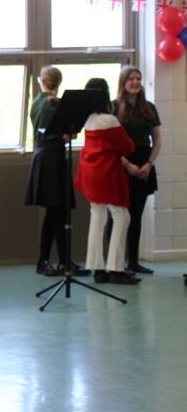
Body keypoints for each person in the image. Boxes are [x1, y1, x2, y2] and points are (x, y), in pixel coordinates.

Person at [24, 66, 90, 277]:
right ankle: (47, 260)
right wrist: (66, 132)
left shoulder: (37, 102)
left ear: (41, 81)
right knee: (56, 212)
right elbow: (67, 133)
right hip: (53, 157)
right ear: (58, 83)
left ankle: (61, 260)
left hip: (44, 156)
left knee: (57, 212)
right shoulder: (55, 104)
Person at [74, 79, 138, 285]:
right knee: (122, 217)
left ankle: (97, 268)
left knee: (97, 215)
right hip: (107, 173)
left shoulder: (87, 120)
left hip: (90, 172)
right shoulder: (108, 121)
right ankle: (116, 268)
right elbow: (128, 147)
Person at [113, 65, 162, 275]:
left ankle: (133, 261)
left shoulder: (149, 108)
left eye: (138, 79)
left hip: (144, 163)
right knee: (118, 216)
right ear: (123, 83)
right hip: (122, 163)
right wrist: (127, 164)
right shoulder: (114, 107)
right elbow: (110, 143)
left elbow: (157, 140)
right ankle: (114, 263)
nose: (135, 82)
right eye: (131, 79)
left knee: (136, 214)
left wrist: (149, 164)